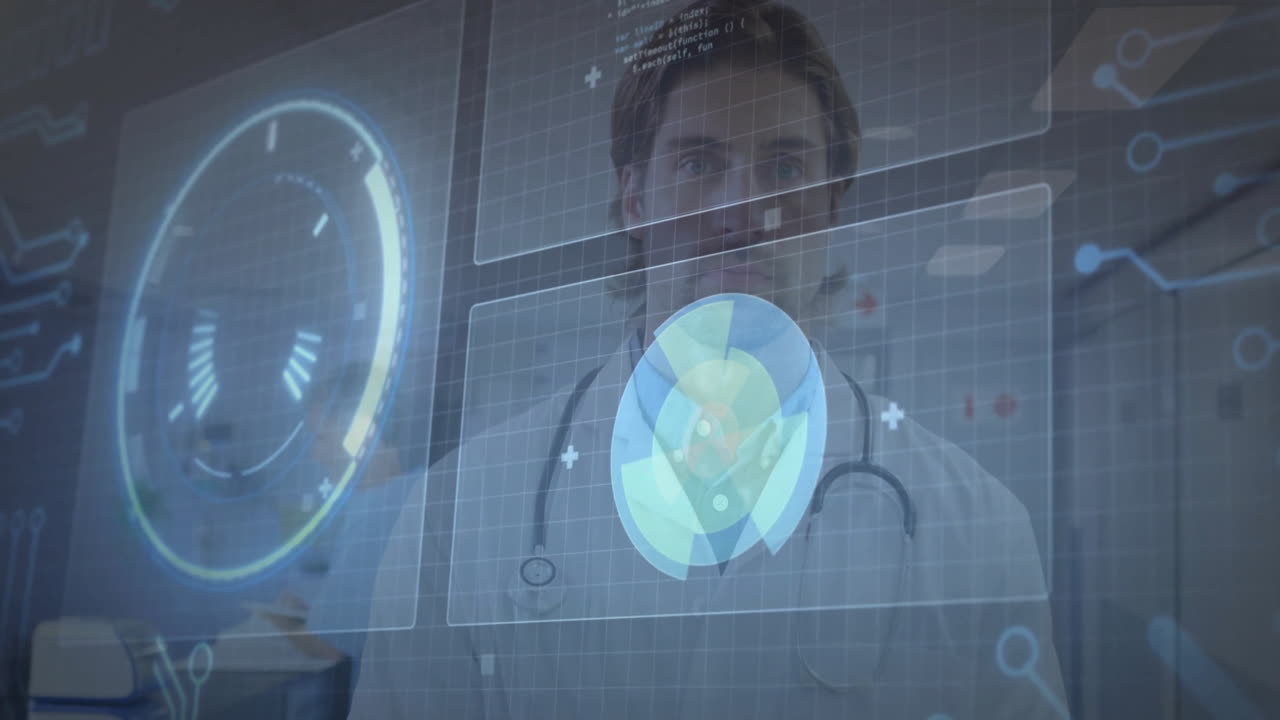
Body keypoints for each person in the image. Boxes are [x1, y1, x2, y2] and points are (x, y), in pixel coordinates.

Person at [351, 0, 1064, 717]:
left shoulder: (977, 524)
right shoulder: (455, 515)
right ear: (635, 200)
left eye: (784, 166)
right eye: (699, 162)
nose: (742, 210)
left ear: (833, 205)